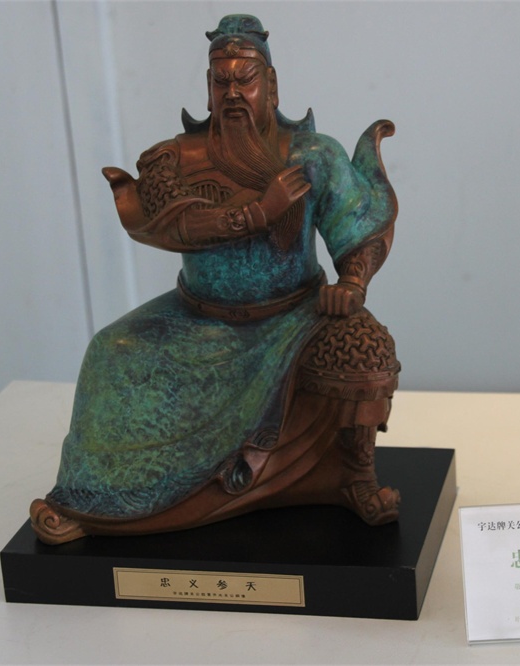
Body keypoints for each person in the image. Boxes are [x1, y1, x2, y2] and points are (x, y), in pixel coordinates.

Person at [30, 15, 400, 545]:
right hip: (195, 319)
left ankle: (354, 475)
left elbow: (357, 228)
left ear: (270, 86)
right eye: (220, 81)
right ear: (207, 89)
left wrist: (352, 283)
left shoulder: (312, 156)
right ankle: (96, 497)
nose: (232, 93)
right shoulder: (175, 159)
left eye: (244, 79)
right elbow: (168, 225)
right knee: (110, 351)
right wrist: (258, 212)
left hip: (294, 317)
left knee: (366, 348)